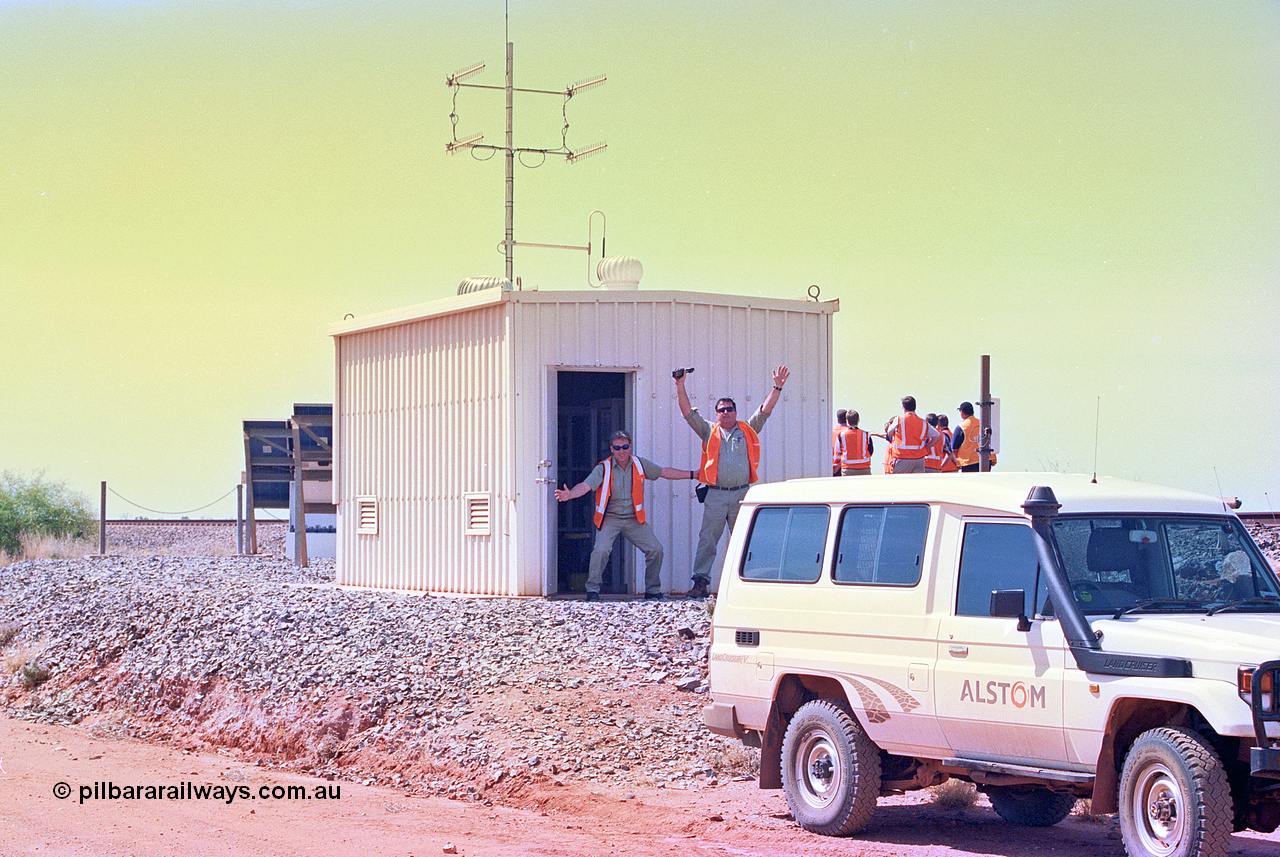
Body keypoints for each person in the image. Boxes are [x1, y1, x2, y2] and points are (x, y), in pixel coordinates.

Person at [676, 365, 790, 598]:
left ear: (736, 412)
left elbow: (765, 411)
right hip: (716, 494)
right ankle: (700, 582)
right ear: (716, 414)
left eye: (729, 409)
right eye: (721, 410)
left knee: (746, 539)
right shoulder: (708, 430)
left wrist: (777, 387)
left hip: (742, 494)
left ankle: (750, 582)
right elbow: (687, 412)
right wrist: (680, 385)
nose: (726, 413)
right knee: (708, 540)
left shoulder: (748, 429)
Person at [554, 430, 696, 601]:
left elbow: (664, 472)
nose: (621, 451)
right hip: (610, 518)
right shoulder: (603, 468)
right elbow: (586, 486)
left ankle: (652, 591)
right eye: (617, 447)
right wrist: (570, 494)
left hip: (633, 519)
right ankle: (592, 591)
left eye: (625, 446)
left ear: (630, 447)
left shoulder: (639, 464)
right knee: (601, 550)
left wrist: (693, 475)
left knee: (656, 550)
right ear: (611, 449)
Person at [883, 396, 939, 474]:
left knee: (900, 481)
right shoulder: (923, 422)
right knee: (917, 481)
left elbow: (889, 433)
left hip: (903, 459)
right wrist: (925, 448)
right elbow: (937, 436)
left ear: (904, 408)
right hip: (919, 459)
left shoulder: (899, 419)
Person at [839, 410, 874, 476]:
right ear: (858, 420)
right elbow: (871, 450)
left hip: (847, 468)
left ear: (847, 421)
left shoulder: (841, 435)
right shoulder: (866, 434)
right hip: (864, 468)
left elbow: (838, 450)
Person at [953, 402, 982, 472]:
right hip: (985, 459)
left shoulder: (961, 427)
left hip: (969, 462)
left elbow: (954, 448)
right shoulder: (983, 423)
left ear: (962, 412)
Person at [831, 409, 848, 476]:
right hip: (843, 465)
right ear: (847, 420)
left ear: (838, 420)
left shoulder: (830, 431)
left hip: (831, 465)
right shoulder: (848, 431)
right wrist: (839, 464)